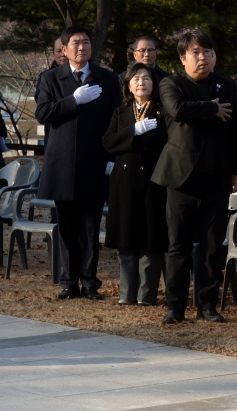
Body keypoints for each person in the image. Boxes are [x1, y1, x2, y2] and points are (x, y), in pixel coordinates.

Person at [152, 29, 237, 325]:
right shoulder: (171, 83)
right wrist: (212, 108)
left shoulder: (227, 86)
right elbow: (178, 111)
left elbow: (236, 131)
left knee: (212, 246)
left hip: (217, 178)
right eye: (196, 52)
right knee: (178, 245)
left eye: (208, 52)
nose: (203, 57)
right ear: (183, 58)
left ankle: (207, 305)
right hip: (181, 179)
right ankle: (175, 307)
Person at [35, 24, 121, 300]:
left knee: (90, 226)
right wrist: (72, 100)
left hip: (95, 161)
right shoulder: (50, 78)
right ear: (64, 49)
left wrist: (112, 157)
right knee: (67, 226)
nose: (81, 47)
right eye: (75, 43)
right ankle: (69, 281)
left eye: (85, 42)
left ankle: (90, 281)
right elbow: (43, 113)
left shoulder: (106, 79)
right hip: (61, 164)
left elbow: (116, 120)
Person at [102, 63, 169, 306]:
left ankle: (147, 295)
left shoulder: (163, 112)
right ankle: (126, 294)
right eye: (136, 79)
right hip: (125, 183)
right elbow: (108, 142)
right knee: (126, 239)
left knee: (151, 241)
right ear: (128, 86)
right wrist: (134, 131)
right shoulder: (121, 113)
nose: (141, 82)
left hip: (153, 181)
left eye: (146, 78)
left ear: (154, 83)